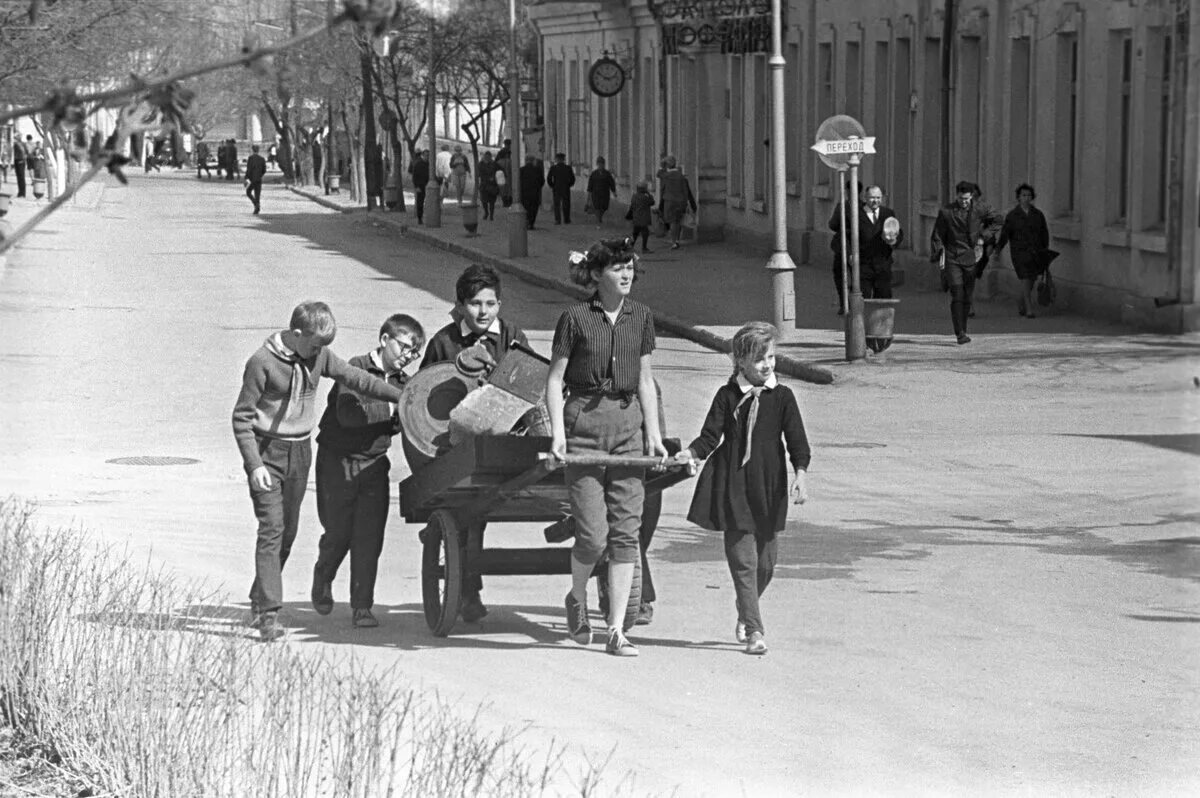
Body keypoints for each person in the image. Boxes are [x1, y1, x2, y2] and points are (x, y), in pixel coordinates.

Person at [232, 301, 406, 641]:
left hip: (300, 451)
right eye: (314, 344)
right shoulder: (261, 363)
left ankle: (259, 596)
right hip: (267, 452)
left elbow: (357, 378)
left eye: (323, 347)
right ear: (296, 334)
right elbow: (241, 418)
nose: (319, 352)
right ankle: (269, 614)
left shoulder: (319, 355)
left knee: (288, 533)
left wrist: (401, 395)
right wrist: (254, 465)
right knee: (272, 529)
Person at [546, 237, 668, 657]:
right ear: (597, 275)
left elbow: (645, 380)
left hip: (628, 428)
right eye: (617, 267)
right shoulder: (575, 318)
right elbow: (554, 380)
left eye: (630, 266)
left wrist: (652, 432)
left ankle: (616, 630)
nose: (627, 273)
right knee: (594, 537)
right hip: (584, 425)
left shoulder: (642, 317)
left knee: (625, 536)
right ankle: (577, 598)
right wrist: (559, 435)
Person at [675, 321, 810, 656]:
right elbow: (710, 436)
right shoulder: (728, 395)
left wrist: (801, 474)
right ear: (741, 362)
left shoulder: (782, 397)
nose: (768, 364)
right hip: (732, 484)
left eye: (771, 357)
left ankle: (745, 605)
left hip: (768, 486)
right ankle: (755, 630)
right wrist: (690, 453)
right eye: (760, 358)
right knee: (744, 564)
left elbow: (796, 440)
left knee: (766, 563)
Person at [420, 264, 530, 623]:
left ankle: (469, 586)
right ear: (460, 304)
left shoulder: (512, 336)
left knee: (479, 514)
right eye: (475, 304)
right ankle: (468, 591)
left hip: (504, 443)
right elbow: (423, 399)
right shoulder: (444, 341)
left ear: (500, 303)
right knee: (469, 517)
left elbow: (532, 384)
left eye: (491, 303)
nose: (483, 312)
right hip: (457, 447)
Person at [312, 314, 425, 629]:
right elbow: (349, 416)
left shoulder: (405, 383)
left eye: (414, 353)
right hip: (338, 461)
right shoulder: (355, 367)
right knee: (339, 532)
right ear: (385, 339)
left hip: (375, 464)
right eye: (404, 347)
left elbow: (412, 422)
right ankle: (324, 572)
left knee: (369, 538)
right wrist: (393, 411)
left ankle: (362, 606)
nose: (408, 356)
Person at [930, 181, 1003, 345]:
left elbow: (998, 220)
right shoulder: (946, 212)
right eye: (961, 199)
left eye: (967, 199)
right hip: (952, 256)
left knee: (967, 296)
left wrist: (983, 237)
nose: (964, 202)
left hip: (971, 256)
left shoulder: (980, 209)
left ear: (971, 197)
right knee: (957, 293)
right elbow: (937, 234)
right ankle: (959, 333)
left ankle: (964, 326)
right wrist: (939, 251)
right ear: (956, 196)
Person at [829, 185, 903, 300]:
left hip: (882, 264)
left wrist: (893, 240)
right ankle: (860, 317)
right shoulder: (856, 214)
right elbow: (846, 237)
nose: (875, 201)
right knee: (863, 299)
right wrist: (850, 255)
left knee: (883, 299)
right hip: (863, 265)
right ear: (865, 197)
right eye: (872, 198)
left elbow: (898, 232)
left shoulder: (887, 213)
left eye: (878, 198)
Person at [995, 183, 1050, 319]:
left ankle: (1021, 300)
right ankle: (1029, 309)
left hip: (1035, 251)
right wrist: (997, 250)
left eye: (1029, 195)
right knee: (1025, 277)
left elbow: (1044, 234)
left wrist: (1045, 252)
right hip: (1019, 252)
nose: (1026, 198)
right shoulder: (1013, 216)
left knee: (1031, 279)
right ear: (1018, 198)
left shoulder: (1038, 215)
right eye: (1023, 195)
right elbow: (1005, 235)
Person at [826, 180, 863, 314]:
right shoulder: (864, 207)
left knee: (840, 274)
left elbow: (832, 225)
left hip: (844, 245)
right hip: (860, 245)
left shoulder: (843, 206)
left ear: (848, 191)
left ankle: (844, 303)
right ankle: (857, 303)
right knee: (857, 275)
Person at [658, 156, 696, 250]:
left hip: (669, 201)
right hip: (681, 201)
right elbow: (686, 191)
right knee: (678, 220)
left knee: (672, 222)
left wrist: (662, 165)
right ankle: (677, 240)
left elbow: (659, 174)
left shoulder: (666, 176)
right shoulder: (681, 176)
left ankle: (674, 241)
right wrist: (688, 203)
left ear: (667, 165)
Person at [586, 156, 617, 228]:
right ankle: (598, 219)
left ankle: (600, 216)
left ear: (604, 164)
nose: (601, 165)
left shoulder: (607, 174)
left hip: (605, 194)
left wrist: (614, 191)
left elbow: (611, 183)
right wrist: (589, 194)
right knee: (597, 207)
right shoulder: (594, 174)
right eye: (599, 164)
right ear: (597, 164)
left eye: (602, 164)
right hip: (596, 194)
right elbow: (590, 185)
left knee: (604, 207)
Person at [626, 181, 655, 253]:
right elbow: (652, 202)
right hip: (643, 217)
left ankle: (630, 247)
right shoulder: (645, 197)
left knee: (635, 233)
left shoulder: (634, 196)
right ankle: (644, 248)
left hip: (636, 217)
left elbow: (632, 205)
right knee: (645, 233)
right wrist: (648, 193)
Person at [547, 152, 575, 225]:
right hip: (565, 188)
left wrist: (552, 185)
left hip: (556, 188)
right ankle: (566, 219)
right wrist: (569, 185)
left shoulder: (553, 168)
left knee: (557, 205)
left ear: (557, 159)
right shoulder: (568, 168)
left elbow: (549, 178)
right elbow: (572, 179)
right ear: (563, 159)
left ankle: (557, 220)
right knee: (566, 204)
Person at [518, 154, 544, 230]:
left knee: (525, 208)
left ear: (526, 161)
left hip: (524, 193)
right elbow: (542, 181)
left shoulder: (521, 170)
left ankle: (526, 222)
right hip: (535, 193)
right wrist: (537, 187)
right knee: (533, 208)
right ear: (533, 161)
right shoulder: (538, 170)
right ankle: (531, 223)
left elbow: (518, 182)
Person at [476, 150, 499, 221]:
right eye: (486, 157)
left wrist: (495, 177)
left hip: (492, 185)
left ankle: (491, 215)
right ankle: (486, 212)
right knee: (484, 201)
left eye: (489, 157)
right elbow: (478, 174)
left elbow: (499, 171)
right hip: (484, 184)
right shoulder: (480, 164)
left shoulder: (494, 164)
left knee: (492, 201)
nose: (487, 158)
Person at [244, 145, 267, 215]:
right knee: (257, 194)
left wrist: (246, 177)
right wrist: (260, 175)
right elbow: (264, 170)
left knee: (248, 192)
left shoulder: (250, 158)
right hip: (259, 179)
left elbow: (249, 169)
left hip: (252, 179)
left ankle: (256, 205)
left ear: (252, 150)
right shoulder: (262, 159)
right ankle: (257, 206)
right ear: (258, 150)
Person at [409, 149, 430, 224]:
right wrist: (416, 186)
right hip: (420, 185)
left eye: (428, 156)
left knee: (430, 202)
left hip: (429, 185)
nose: (427, 157)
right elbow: (414, 176)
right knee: (420, 202)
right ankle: (420, 218)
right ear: (423, 155)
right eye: (426, 156)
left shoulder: (430, 164)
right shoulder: (418, 164)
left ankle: (429, 217)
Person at [495, 139, 514, 208]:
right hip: (504, 172)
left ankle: (506, 201)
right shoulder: (504, 153)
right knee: (506, 188)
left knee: (505, 188)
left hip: (504, 172)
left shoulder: (508, 152)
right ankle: (506, 201)